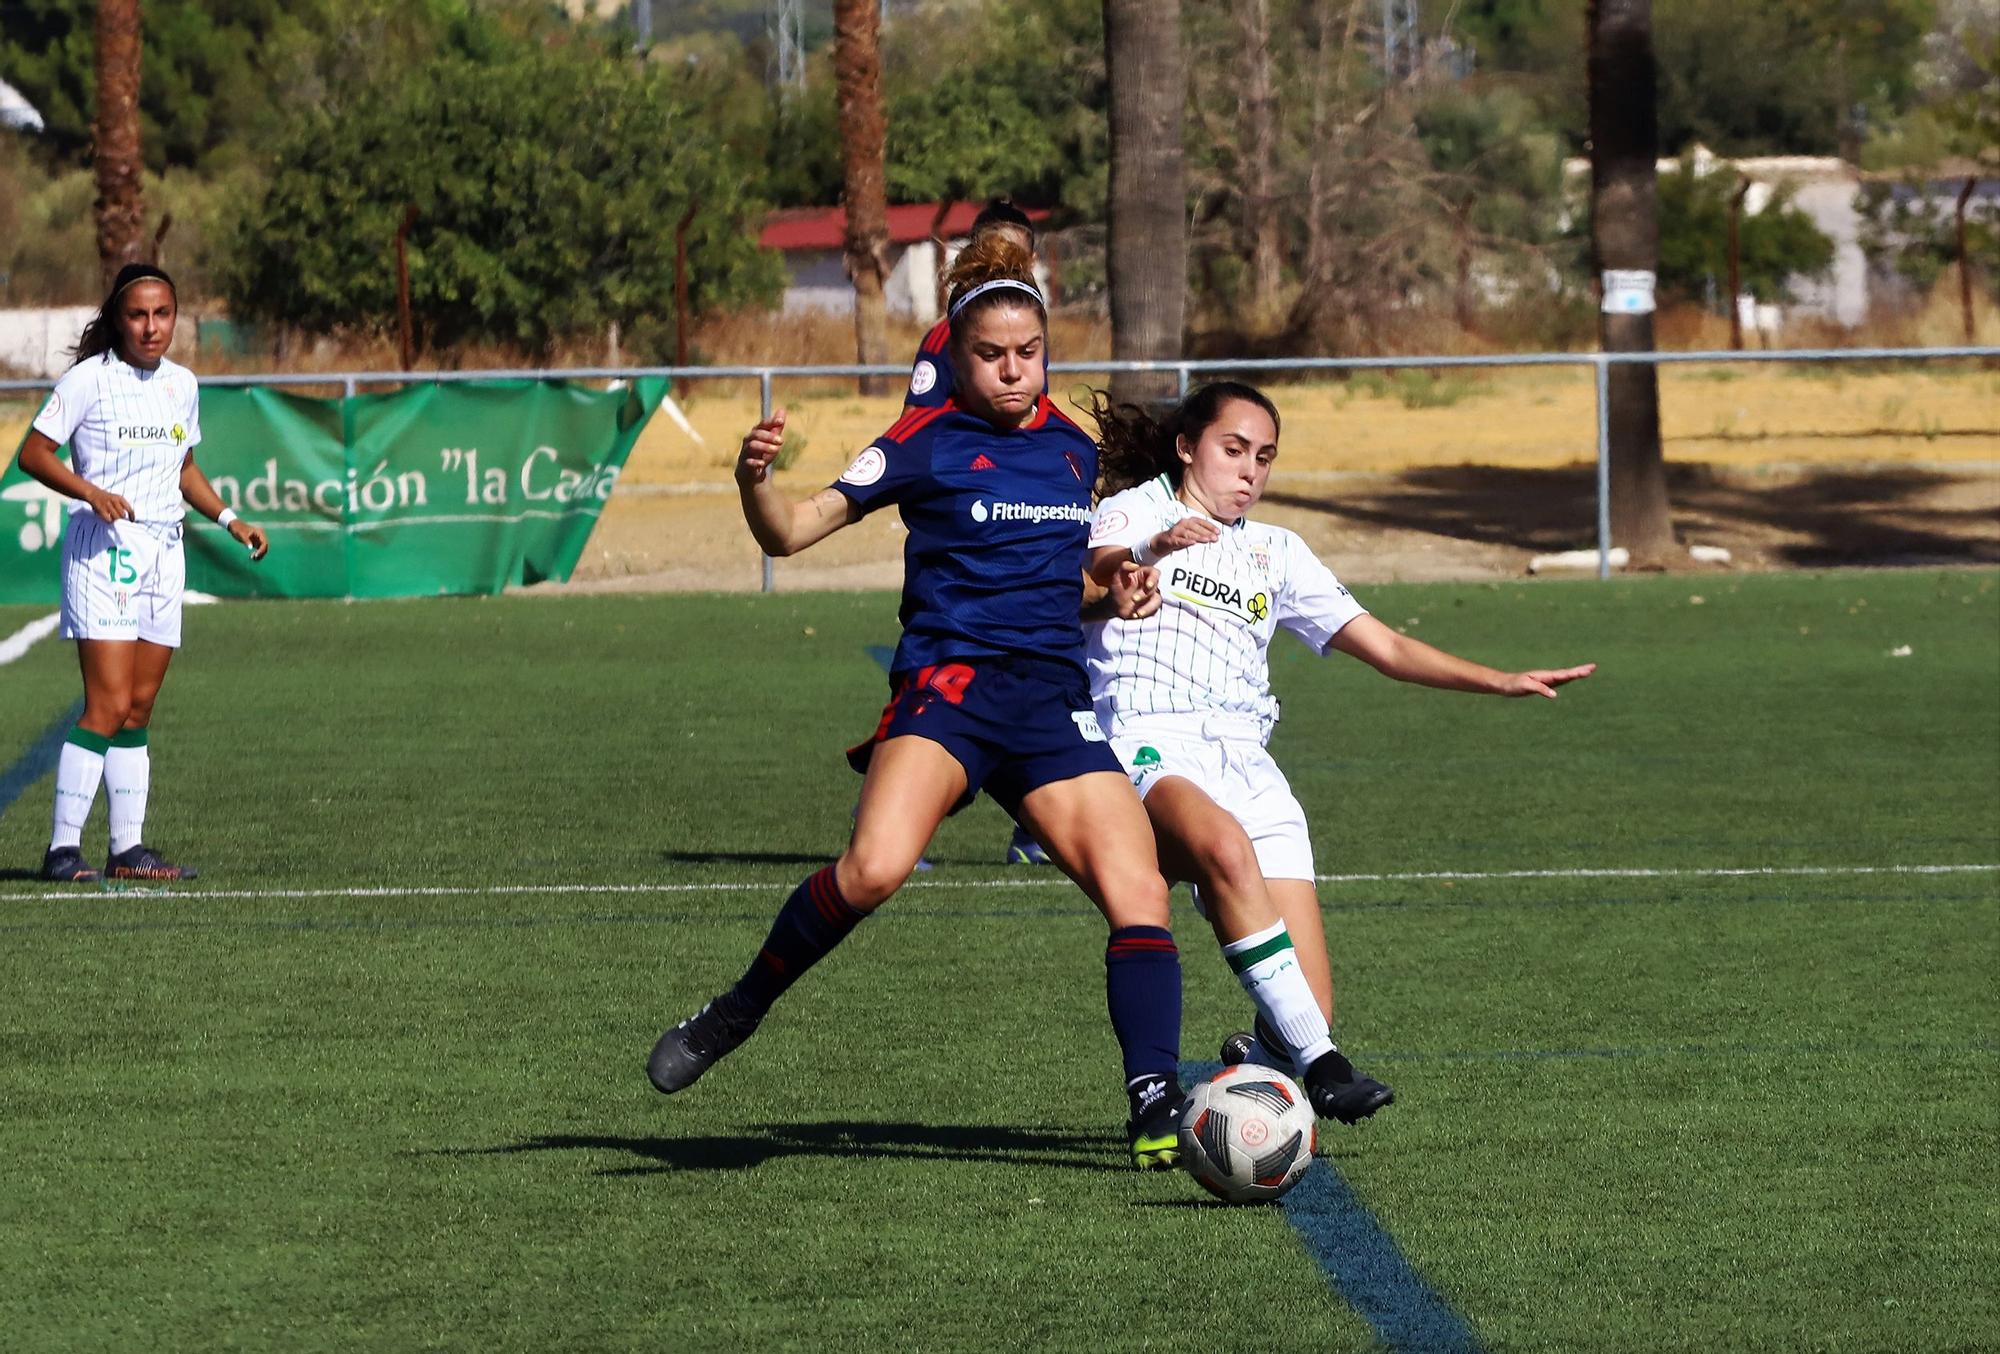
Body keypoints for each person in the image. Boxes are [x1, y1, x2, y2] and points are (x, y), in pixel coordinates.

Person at [649, 234, 1192, 1169]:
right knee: (872, 872)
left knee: (1139, 891)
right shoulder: (922, 441)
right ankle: (737, 1009)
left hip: (1048, 700)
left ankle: (1153, 1099)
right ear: (957, 351)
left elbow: (1073, 582)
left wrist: (1122, 585)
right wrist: (752, 482)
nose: (1012, 370)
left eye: (1028, 353)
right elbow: (788, 535)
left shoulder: (1072, 451)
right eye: (991, 354)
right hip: (948, 691)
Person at [1083, 381, 1595, 1115]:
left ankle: (1259, 1073)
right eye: (1233, 450)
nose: (1250, 471)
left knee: (1308, 1004)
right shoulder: (1138, 510)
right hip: (1147, 738)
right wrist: (1147, 550)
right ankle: (1325, 1068)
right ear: (1187, 447)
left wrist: (1501, 680)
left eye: (1264, 457)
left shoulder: (1276, 552)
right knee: (1226, 853)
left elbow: (1384, 645)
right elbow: (1096, 573)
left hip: (1247, 759)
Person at [15, 263, 269, 884]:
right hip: (104, 552)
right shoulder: (88, 382)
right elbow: (33, 454)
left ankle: (127, 850)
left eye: (163, 314)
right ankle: (62, 850)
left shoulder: (181, 384)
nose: (151, 327)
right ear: (116, 319)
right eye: (138, 314)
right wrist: (90, 492)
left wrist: (231, 519)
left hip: (164, 553)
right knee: (105, 705)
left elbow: (184, 467)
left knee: (139, 707)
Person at [900, 198, 1052, 866]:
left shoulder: (1032, 335)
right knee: (946, 684)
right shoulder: (946, 338)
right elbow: (919, 436)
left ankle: (1036, 828)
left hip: (1031, 532)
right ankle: (888, 814)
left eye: (1021, 250)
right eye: (1000, 248)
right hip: (967, 542)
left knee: (1041, 675)